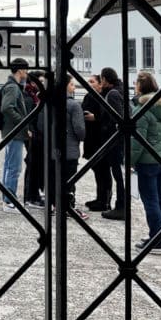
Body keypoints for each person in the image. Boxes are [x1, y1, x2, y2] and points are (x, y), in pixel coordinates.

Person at [130, 72, 161, 253]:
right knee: (160, 198)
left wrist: (130, 161)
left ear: (141, 87)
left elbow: (138, 141)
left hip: (147, 160)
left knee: (150, 200)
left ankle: (156, 240)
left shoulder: (141, 110)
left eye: (136, 83)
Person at [98, 67, 128, 221]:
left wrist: (105, 127)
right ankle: (121, 205)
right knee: (119, 174)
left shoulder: (113, 94)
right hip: (118, 140)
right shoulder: (120, 91)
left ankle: (121, 206)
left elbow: (118, 118)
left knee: (118, 174)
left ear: (104, 79)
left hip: (115, 140)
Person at [0, 58, 30, 210]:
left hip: (11, 131)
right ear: (20, 70)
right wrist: (23, 122)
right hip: (15, 131)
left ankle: (6, 197)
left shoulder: (12, 85)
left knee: (9, 165)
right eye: (26, 69)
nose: (27, 72)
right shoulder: (13, 87)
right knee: (14, 167)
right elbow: (7, 107)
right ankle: (9, 200)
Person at [81, 74, 111, 211]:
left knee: (103, 171)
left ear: (100, 84)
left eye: (92, 81)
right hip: (91, 139)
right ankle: (100, 198)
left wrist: (96, 118)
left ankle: (105, 201)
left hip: (101, 139)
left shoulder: (104, 98)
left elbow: (108, 117)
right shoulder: (88, 96)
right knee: (97, 171)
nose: (89, 83)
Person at [62, 74, 88, 220]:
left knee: (55, 177)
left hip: (53, 149)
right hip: (70, 148)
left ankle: (55, 204)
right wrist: (82, 137)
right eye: (72, 84)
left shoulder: (49, 102)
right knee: (70, 179)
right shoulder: (73, 105)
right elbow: (79, 129)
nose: (74, 87)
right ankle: (69, 206)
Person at [23, 71, 47, 208]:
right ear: (33, 83)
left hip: (37, 135)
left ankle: (34, 194)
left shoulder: (34, 95)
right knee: (33, 164)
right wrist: (30, 131)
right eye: (41, 82)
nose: (43, 84)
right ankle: (31, 196)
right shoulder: (29, 96)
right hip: (33, 136)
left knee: (35, 164)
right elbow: (28, 117)